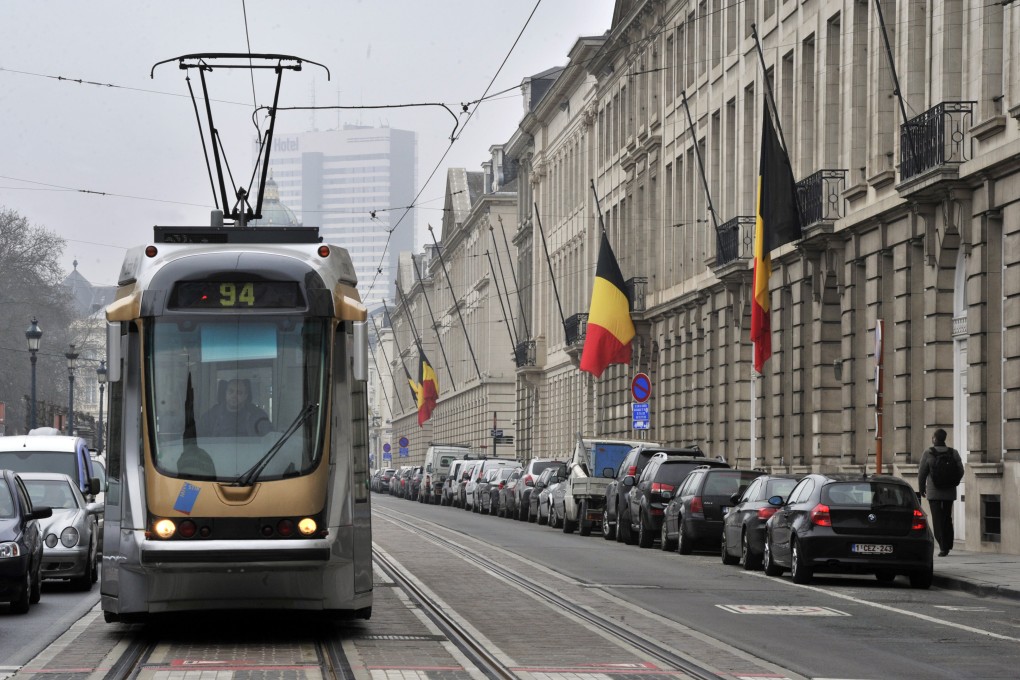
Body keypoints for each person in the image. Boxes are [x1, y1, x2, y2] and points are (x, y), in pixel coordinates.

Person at [917, 428, 965, 557]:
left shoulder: (928, 453)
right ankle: (949, 543)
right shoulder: (953, 452)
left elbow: (922, 473)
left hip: (934, 492)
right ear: (944, 438)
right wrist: (953, 482)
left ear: (934, 439)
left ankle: (943, 547)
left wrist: (922, 488)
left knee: (937, 519)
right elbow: (961, 470)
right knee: (947, 518)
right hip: (949, 491)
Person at [198, 378, 272, 437]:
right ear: (225, 393)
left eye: (239, 392)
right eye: (231, 391)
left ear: (245, 396)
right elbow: (197, 441)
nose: (234, 396)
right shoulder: (210, 417)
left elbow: (270, 440)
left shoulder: (258, 416)